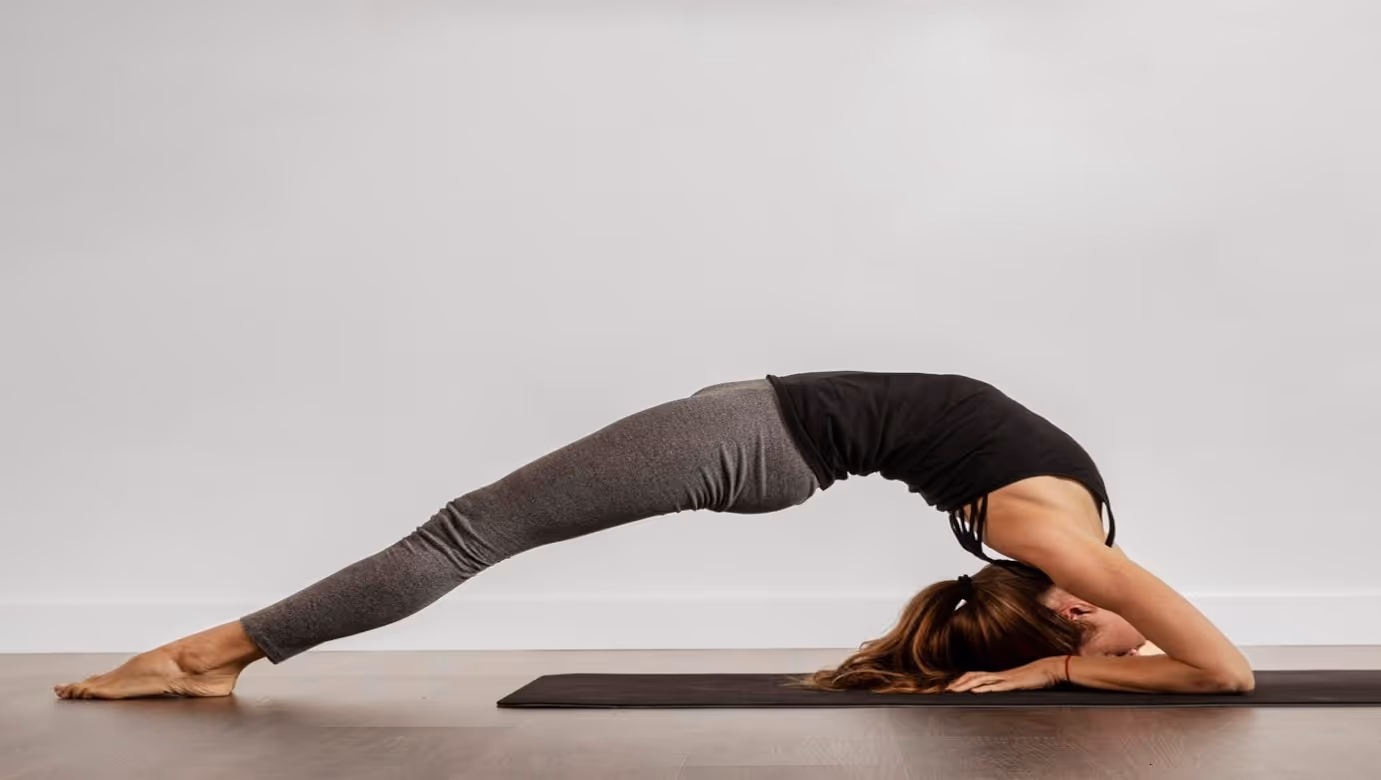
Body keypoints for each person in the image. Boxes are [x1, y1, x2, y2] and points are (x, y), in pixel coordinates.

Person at [53, 371, 1253, 700]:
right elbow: (1178, 657)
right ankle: (214, 657)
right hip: (763, 432)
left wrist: (1054, 663)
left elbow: (1223, 671)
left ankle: (204, 658)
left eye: (1091, 625)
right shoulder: (1057, 533)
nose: (1119, 618)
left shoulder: (1050, 537)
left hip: (757, 440)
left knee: (465, 533)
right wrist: (1068, 653)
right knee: (474, 531)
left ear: (1052, 597)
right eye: (1107, 629)